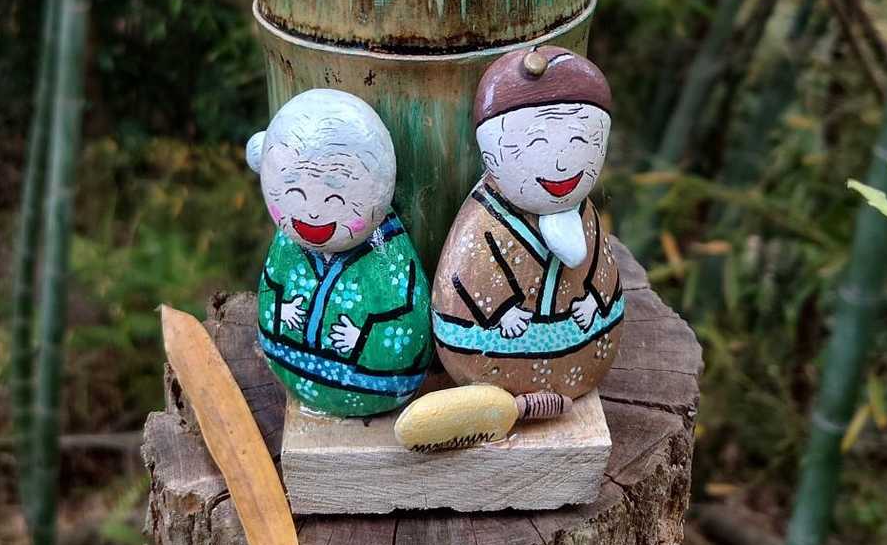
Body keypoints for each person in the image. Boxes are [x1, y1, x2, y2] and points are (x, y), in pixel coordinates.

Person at [432, 44, 624, 401]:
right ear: (492, 155)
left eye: (579, 142)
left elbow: (601, 265)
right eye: (537, 144)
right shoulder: (485, 220)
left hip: (580, 346)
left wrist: (594, 300)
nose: (562, 164)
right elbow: (466, 276)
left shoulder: (584, 213)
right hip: (499, 354)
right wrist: (502, 310)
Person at [247, 89, 433, 418]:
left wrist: (362, 337)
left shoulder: (387, 251)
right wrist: (281, 309)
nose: (313, 212)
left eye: (335, 199)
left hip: (376, 384)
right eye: (294, 193)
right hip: (292, 365)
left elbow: (405, 314)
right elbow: (272, 285)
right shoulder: (289, 244)